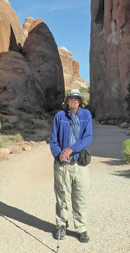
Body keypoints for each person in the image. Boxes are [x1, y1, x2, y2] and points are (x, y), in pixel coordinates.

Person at [50, 88, 93, 243]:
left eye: (77, 98)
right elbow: (53, 140)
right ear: (67, 101)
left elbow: (87, 138)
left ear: (80, 101)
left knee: (80, 197)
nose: (74, 100)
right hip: (62, 164)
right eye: (71, 98)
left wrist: (71, 149)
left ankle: (81, 229)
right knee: (62, 197)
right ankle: (61, 226)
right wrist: (59, 154)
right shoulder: (59, 117)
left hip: (79, 164)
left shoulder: (86, 115)